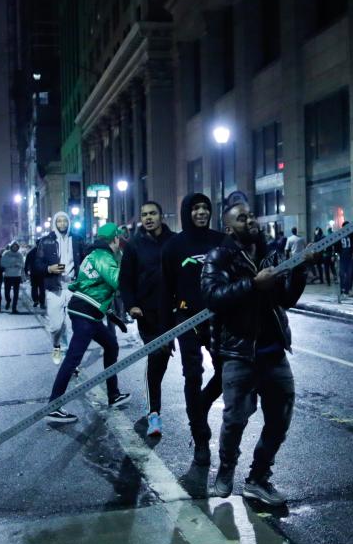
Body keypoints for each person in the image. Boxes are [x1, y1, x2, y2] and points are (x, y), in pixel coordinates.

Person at [200, 199, 310, 505]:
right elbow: (212, 297)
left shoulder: (268, 254)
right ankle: (226, 470)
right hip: (239, 353)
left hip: (274, 352)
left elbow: (285, 300)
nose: (251, 221)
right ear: (228, 227)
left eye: (251, 216)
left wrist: (299, 270)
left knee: (280, 417)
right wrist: (252, 284)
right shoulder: (218, 257)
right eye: (242, 218)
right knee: (235, 419)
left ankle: (259, 477)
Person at [160, 193, 226, 464]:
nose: (201, 212)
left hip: (219, 317)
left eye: (205, 208)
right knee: (192, 376)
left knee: (227, 370)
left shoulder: (222, 241)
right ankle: (200, 437)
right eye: (196, 208)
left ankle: (201, 405)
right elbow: (166, 290)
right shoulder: (174, 246)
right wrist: (166, 333)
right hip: (186, 319)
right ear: (187, 211)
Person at [44, 223, 131, 423]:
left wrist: (111, 314)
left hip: (86, 311)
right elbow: (117, 281)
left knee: (111, 344)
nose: (121, 242)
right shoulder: (103, 256)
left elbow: (86, 285)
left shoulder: (92, 255)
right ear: (115, 239)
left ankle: (113, 394)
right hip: (86, 313)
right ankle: (53, 405)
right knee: (73, 358)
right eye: (120, 238)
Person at [119, 201, 176, 437]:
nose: (148, 217)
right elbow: (125, 279)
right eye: (144, 214)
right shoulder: (134, 245)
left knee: (164, 361)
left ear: (162, 215)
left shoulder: (175, 241)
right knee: (156, 357)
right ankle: (154, 414)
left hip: (174, 313)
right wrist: (132, 304)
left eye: (153, 213)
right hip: (147, 314)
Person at [36, 212, 86, 364]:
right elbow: (37, 264)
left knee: (73, 326)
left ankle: (72, 362)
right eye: (59, 221)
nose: (62, 224)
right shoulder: (46, 241)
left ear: (69, 222)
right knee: (56, 326)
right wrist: (49, 269)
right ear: (55, 223)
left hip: (73, 287)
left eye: (65, 220)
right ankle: (56, 346)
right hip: (54, 288)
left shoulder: (77, 239)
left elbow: (85, 259)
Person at [0, 242, 25, 314]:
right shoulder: (6, 253)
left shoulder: (19, 255)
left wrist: (18, 265)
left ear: (18, 247)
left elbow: (23, 265)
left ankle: (14, 308)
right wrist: (10, 264)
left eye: (16, 247)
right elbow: (2, 263)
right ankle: (8, 301)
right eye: (13, 247)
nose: (15, 248)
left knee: (16, 293)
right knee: (7, 292)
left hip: (17, 276)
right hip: (8, 276)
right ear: (11, 247)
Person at [24, 243, 45, 309]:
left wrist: (26, 272)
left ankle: (36, 301)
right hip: (40, 273)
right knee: (41, 288)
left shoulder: (31, 252)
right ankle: (41, 302)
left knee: (35, 287)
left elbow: (26, 263)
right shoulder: (44, 251)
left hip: (35, 273)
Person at [338, 221, 353, 295]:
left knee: (349, 274)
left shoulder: (352, 234)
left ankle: (347, 289)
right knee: (342, 274)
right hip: (342, 256)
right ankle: (342, 288)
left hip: (350, 256)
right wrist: (337, 253)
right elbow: (336, 245)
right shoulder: (339, 235)